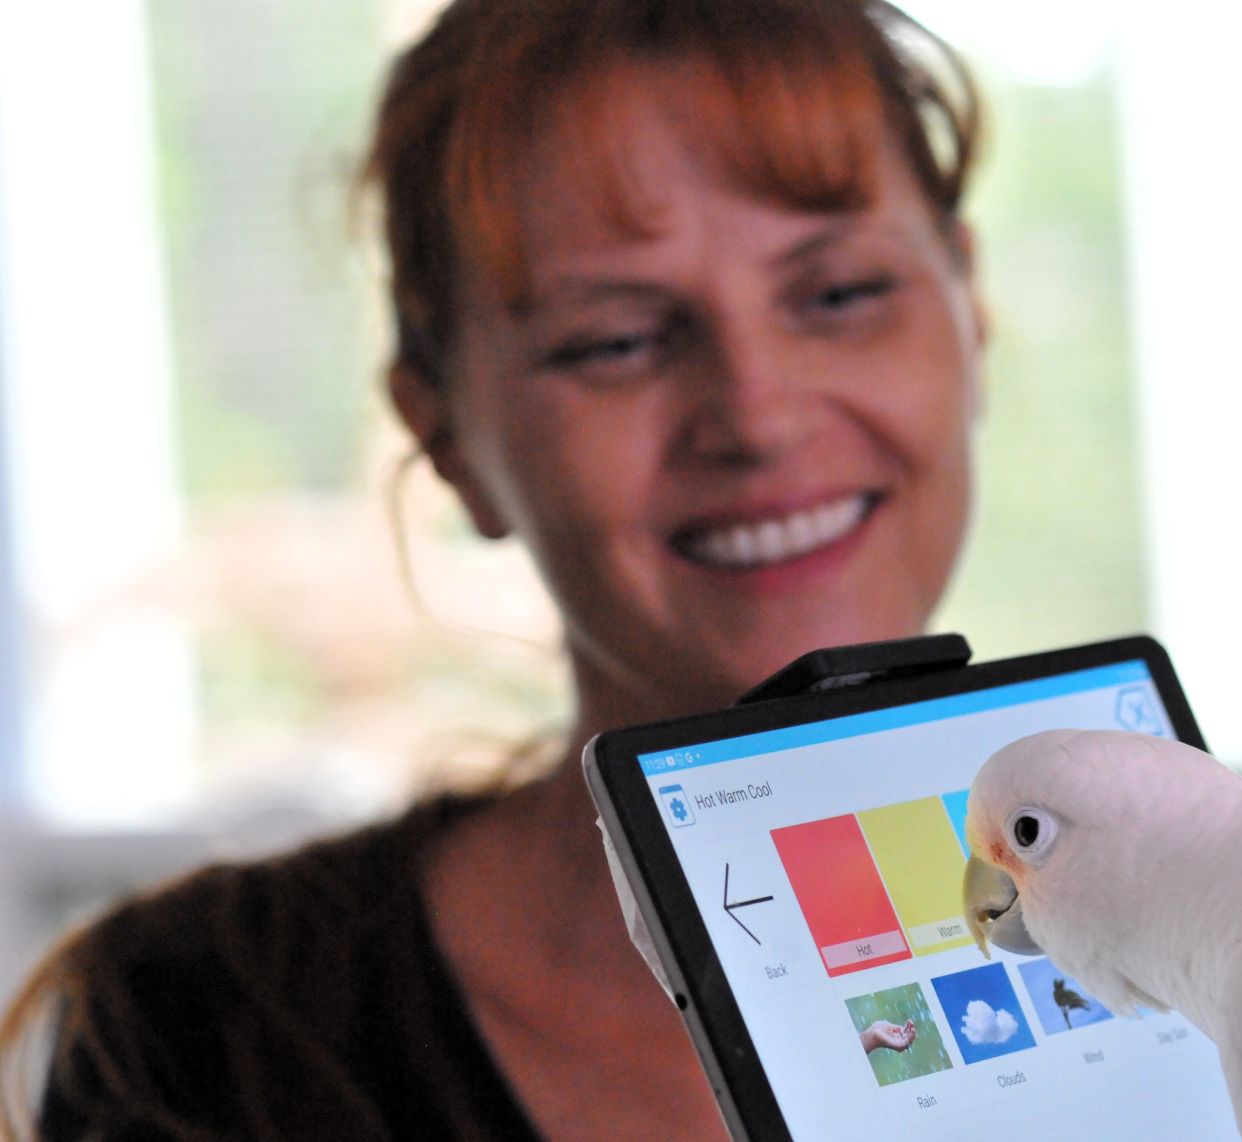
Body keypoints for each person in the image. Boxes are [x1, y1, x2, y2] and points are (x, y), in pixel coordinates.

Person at [0, 0, 985, 1137]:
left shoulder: (1224, 922)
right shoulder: (209, 1030)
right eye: (614, 340)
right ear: (446, 432)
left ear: (969, 310)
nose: (758, 415)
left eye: (842, 294)